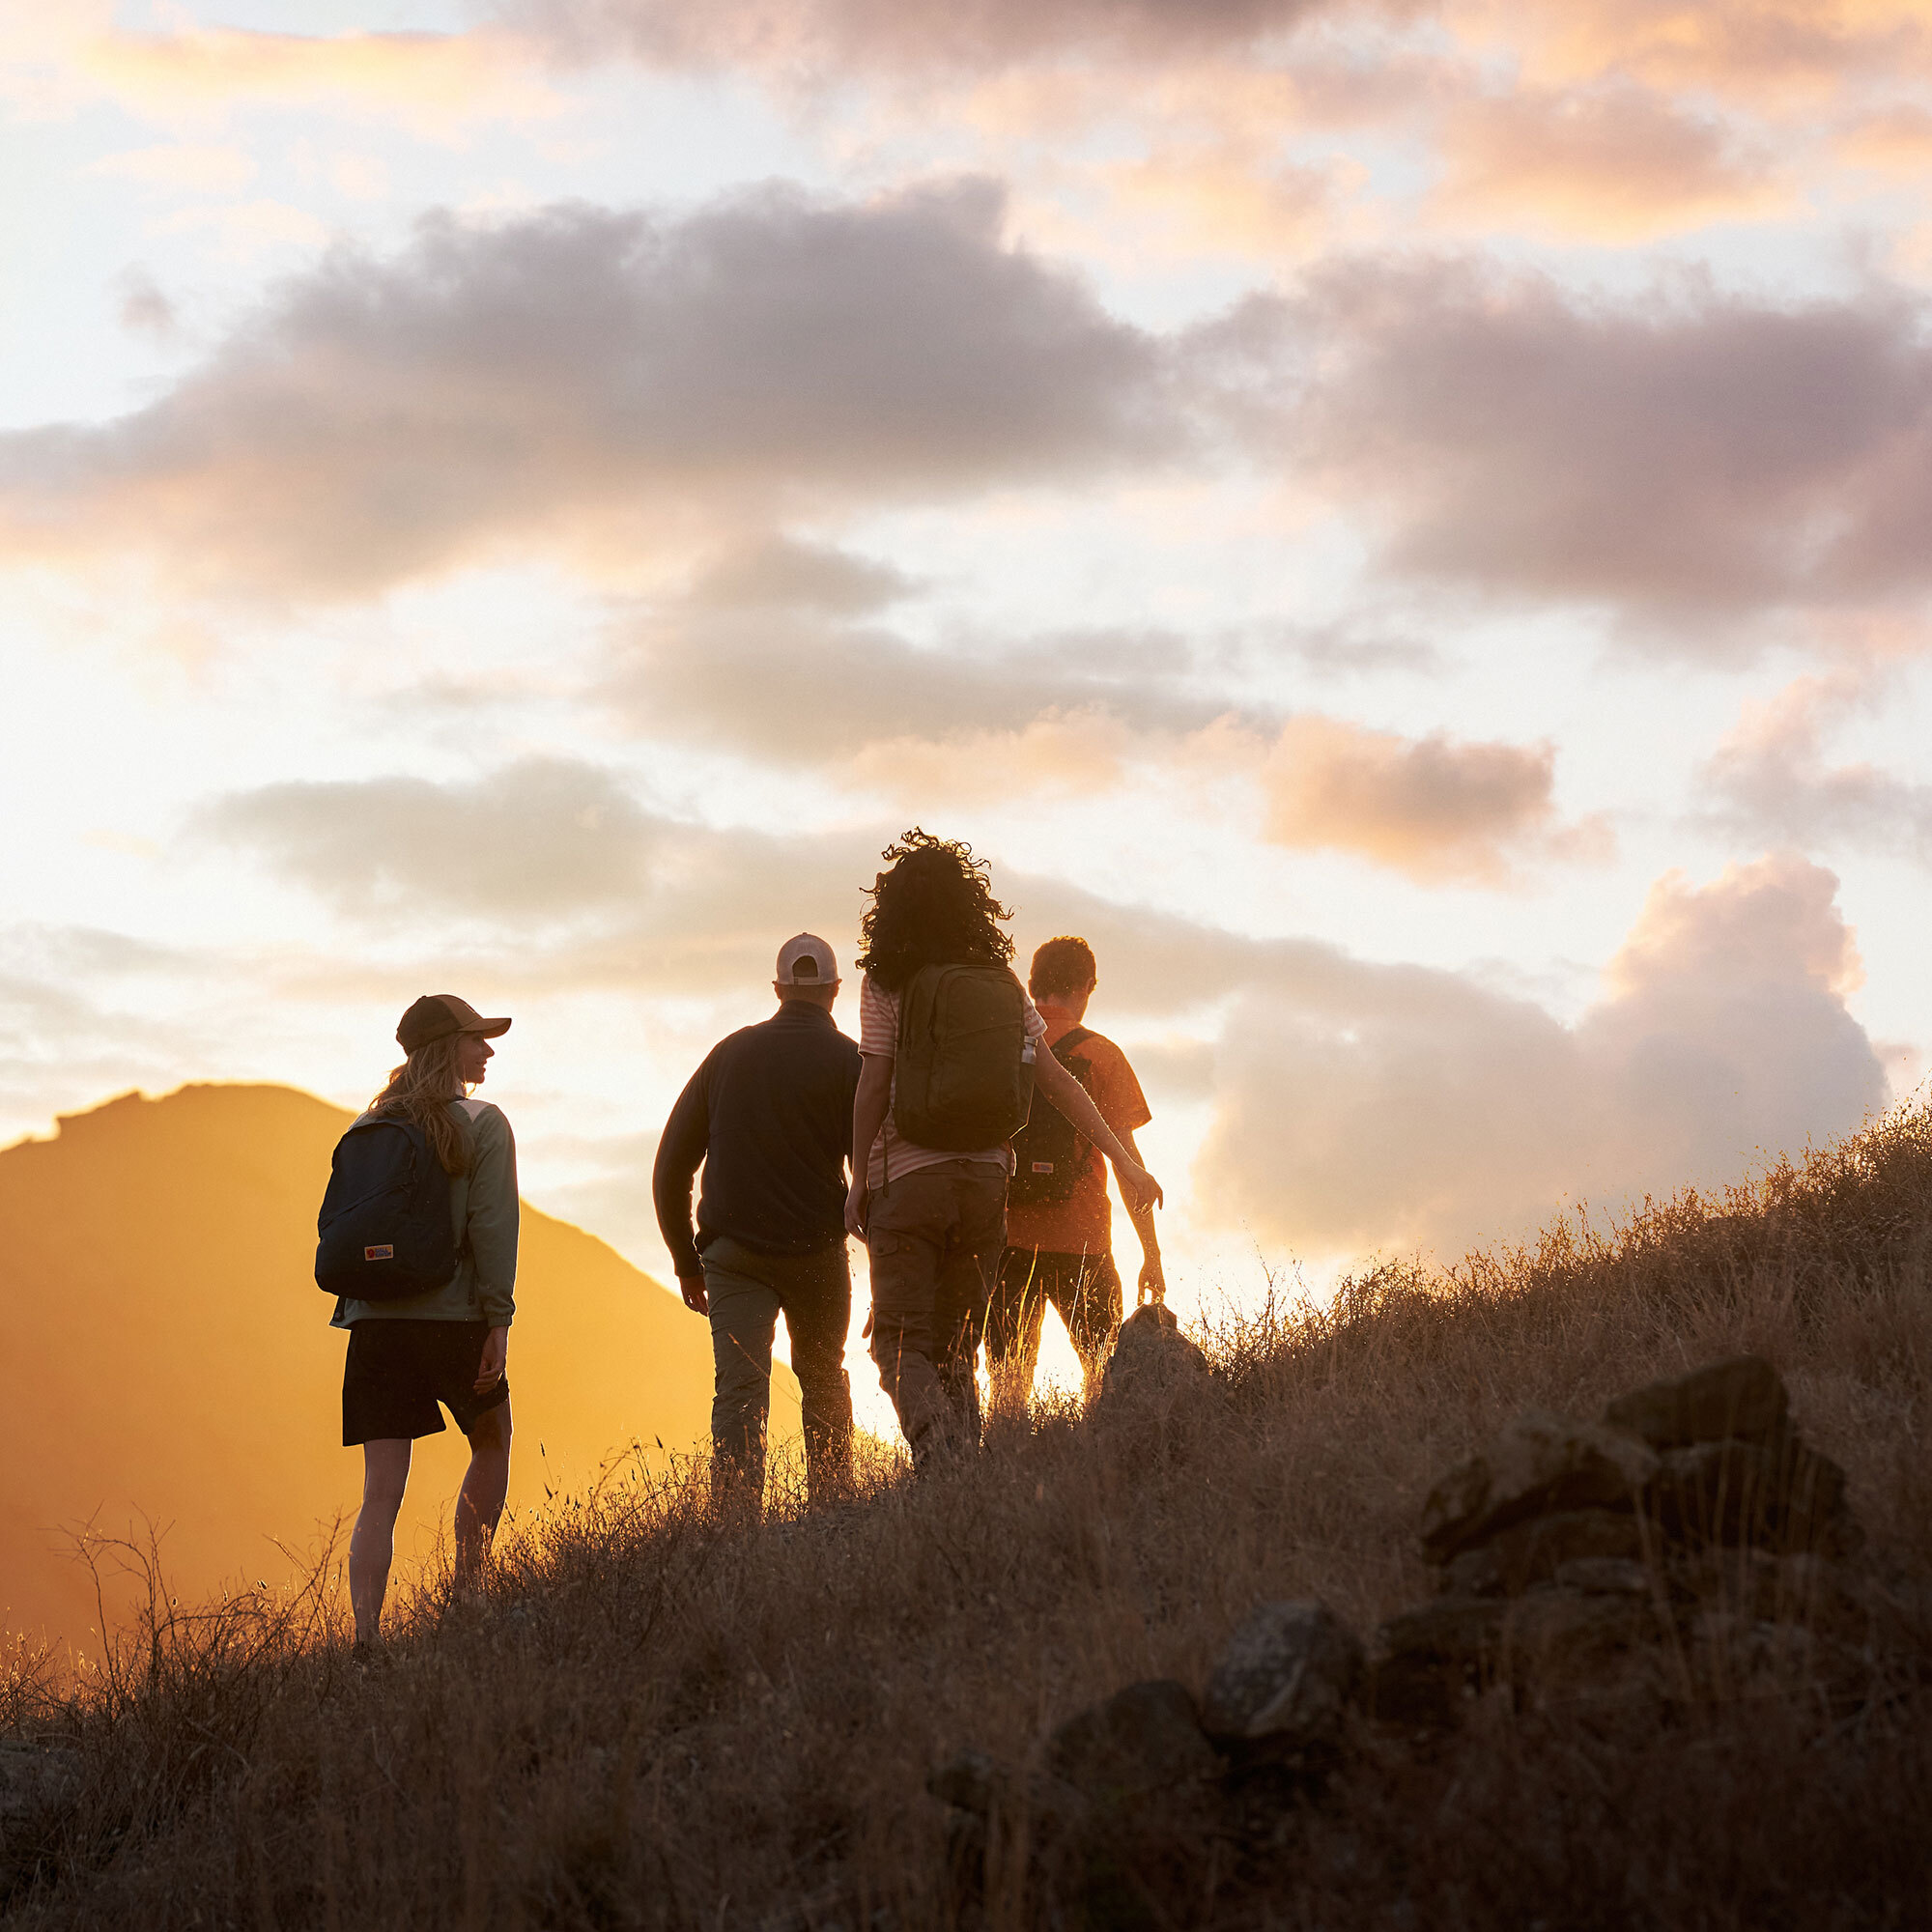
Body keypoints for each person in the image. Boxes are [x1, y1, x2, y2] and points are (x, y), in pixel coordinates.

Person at [843, 831, 1162, 1469]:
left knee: (899, 1344)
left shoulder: (888, 982)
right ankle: (966, 1478)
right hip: (987, 1183)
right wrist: (1127, 1162)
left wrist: (858, 1183)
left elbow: (874, 1083)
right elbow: (1057, 1081)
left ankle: (943, 1452)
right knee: (957, 1348)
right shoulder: (1002, 983)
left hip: (910, 1181)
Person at [333, 994, 518, 1649]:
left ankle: (365, 1639)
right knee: (491, 1442)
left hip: (374, 1327)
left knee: (379, 1493)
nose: (487, 1051)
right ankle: (468, 1596)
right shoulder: (483, 1123)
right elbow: (492, 1226)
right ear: (446, 1048)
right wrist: (498, 1320)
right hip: (453, 1319)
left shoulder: (366, 1126)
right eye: (476, 1039)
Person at [653, 934, 861, 1509]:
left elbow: (670, 1168)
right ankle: (834, 1511)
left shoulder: (729, 1054)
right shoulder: (852, 1061)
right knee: (824, 1378)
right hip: (818, 1253)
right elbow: (875, 1174)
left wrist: (686, 1262)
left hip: (735, 1257)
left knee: (740, 1391)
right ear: (834, 990)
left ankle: (734, 1524)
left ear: (777, 990)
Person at [986, 936, 1163, 1408]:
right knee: (1106, 1381)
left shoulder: (1002, 1050)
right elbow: (1127, 1163)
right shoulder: (1102, 1055)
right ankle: (1098, 1454)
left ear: (1032, 986)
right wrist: (1150, 1251)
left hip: (1007, 1242)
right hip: (1083, 1242)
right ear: (1087, 986)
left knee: (1007, 1388)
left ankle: (1004, 1456)